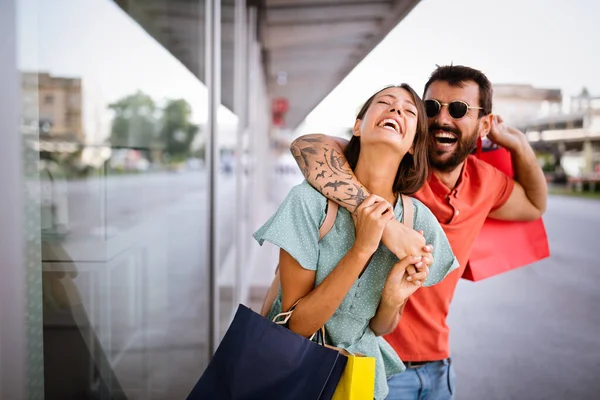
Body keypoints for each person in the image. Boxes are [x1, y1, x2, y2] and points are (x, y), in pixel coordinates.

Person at [290, 65, 548, 399]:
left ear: (483, 124)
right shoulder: (398, 166)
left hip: (438, 366)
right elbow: (308, 146)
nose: (442, 119)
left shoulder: (486, 182)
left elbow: (534, 204)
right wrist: (385, 223)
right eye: (430, 108)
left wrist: (519, 145)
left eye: (458, 110)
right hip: (375, 361)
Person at [254, 84, 459, 400]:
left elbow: (379, 327)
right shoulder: (309, 203)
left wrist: (392, 297)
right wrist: (363, 248)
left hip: (360, 379)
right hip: (291, 370)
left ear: (413, 144)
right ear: (358, 126)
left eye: (407, 111)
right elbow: (295, 327)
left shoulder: (417, 222)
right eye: (385, 103)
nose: (395, 110)